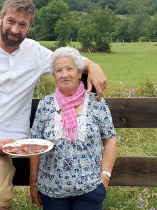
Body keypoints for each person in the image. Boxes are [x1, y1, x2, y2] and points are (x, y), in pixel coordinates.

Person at [0, 0, 108, 210]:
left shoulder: (35, 53)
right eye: (11, 21)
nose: (15, 29)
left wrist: (93, 65)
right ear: (1, 17)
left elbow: (67, 61)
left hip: (6, 144)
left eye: (22, 24)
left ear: (29, 27)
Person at [29, 47, 117, 210]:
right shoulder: (46, 104)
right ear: (54, 76)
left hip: (90, 189)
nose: (64, 74)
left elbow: (110, 139)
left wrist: (105, 177)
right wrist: (33, 182)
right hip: (52, 191)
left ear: (79, 72)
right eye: (59, 70)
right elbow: (35, 143)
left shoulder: (96, 102)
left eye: (70, 69)